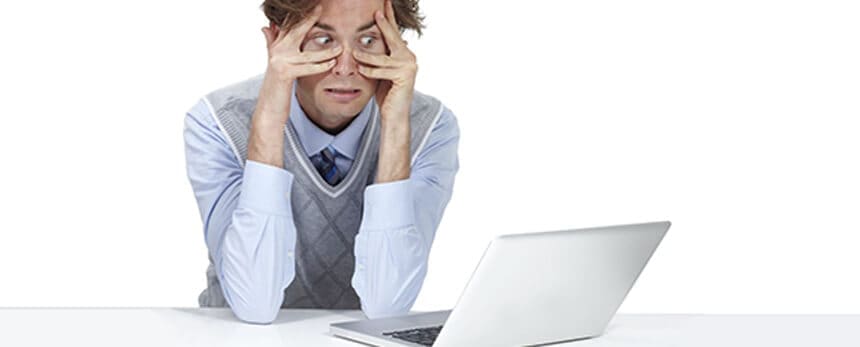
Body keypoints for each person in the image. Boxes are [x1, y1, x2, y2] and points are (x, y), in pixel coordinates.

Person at [183, 0, 459, 324]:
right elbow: (254, 304)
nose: (345, 68)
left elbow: (388, 308)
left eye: (368, 41)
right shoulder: (218, 122)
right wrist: (270, 121)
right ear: (277, 40)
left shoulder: (429, 127)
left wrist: (396, 125)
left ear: (394, 45)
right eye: (323, 40)